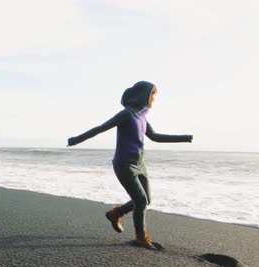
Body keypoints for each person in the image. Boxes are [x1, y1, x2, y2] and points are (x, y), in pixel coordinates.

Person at [67, 81, 193, 249]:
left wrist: (184, 138)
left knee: (146, 200)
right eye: (152, 96)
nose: (153, 100)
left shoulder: (143, 118)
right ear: (144, 95)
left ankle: (116, 213)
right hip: (124, 164)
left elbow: (155, 137)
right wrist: (75, 140)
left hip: (140, 165)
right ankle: (141, 238)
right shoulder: (126, 114)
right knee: (140, 200)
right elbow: (100, 128)